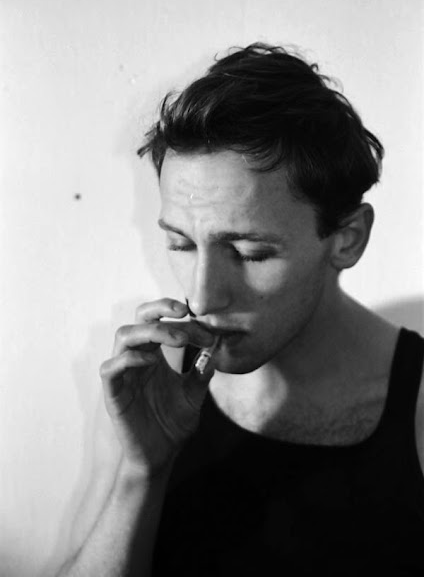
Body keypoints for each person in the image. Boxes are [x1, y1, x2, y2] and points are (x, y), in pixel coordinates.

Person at [56, 43, 424, 577]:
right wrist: (141, 473)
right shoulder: (153, 382)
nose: (202, 297)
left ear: (346, 239)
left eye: (250, 253)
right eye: (181, 244)